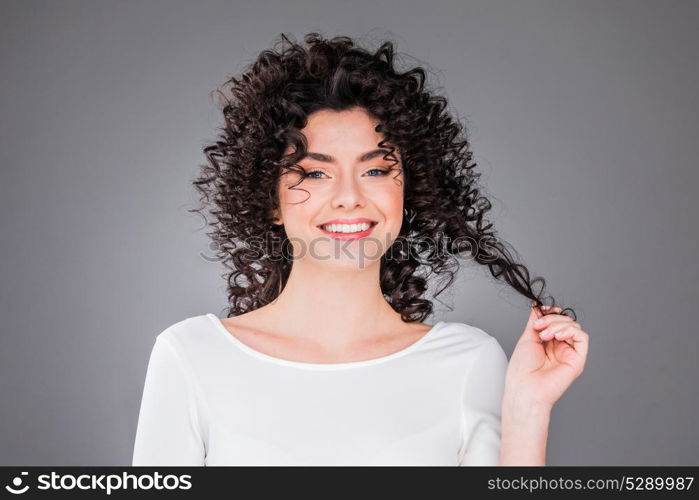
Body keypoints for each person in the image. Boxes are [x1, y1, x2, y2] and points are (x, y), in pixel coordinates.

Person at [132, 32, 589, 466]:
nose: (349, 196)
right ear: (270, 199)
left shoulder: (470, 362)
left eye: (375, 171)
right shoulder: (191, 356)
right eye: (314, 173)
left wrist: (529, 409)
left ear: (410, 190)